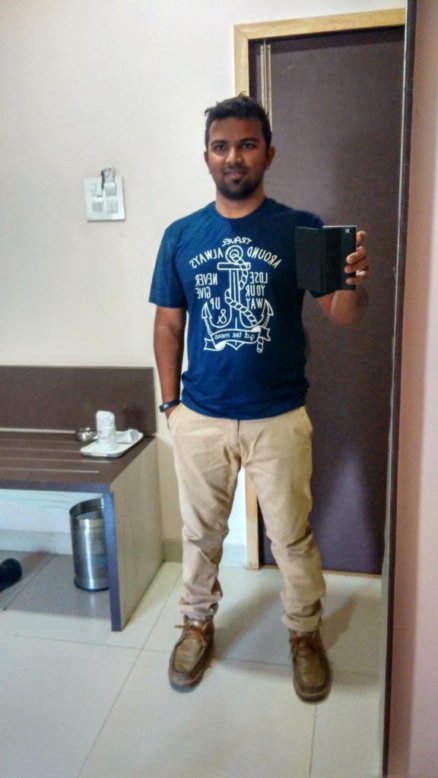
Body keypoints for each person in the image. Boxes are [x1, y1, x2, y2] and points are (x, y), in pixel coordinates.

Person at [149, 95, 369, 702]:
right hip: (201, 415)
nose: (233, 157)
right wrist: (170, 406)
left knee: (292, 537)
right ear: (206, 157)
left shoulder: (300, 228)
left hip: (279, 417)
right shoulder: (181, 235)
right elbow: (168, 324)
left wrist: (353, 280)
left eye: (246, 144)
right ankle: (196, 625)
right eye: (221, 146)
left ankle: (304, 633)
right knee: (200, 536)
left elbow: (343, 315)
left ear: (268, 154)